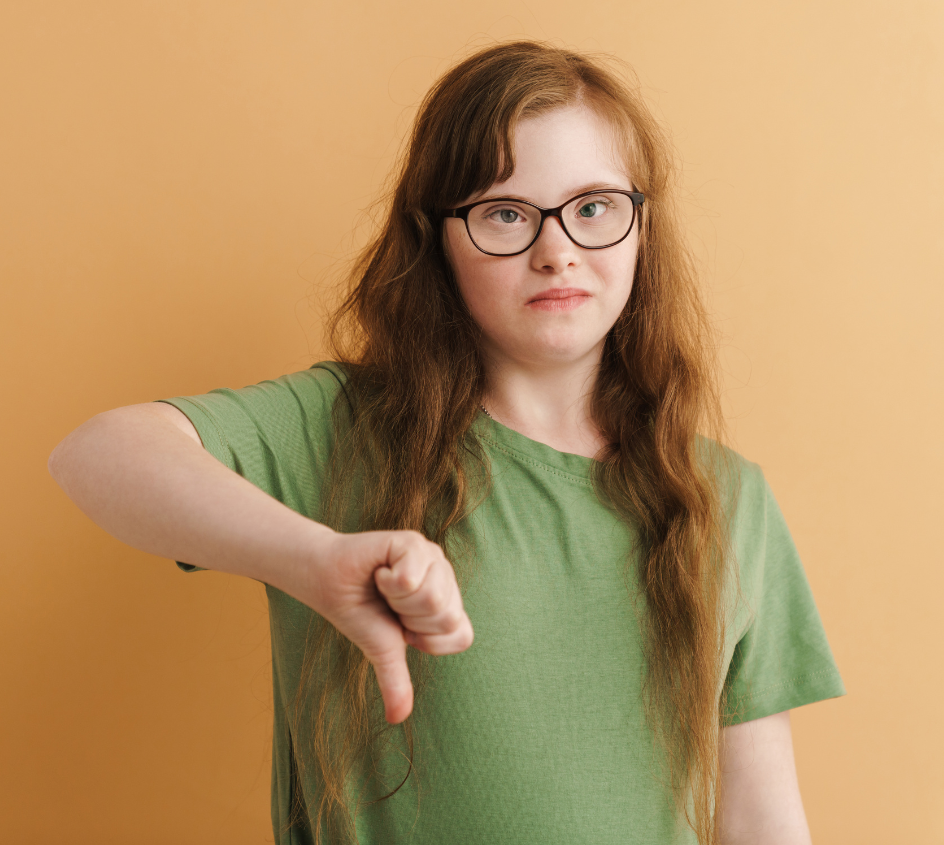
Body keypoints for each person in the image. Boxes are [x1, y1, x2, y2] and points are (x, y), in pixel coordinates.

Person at [48, 41, 845, 845]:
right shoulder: (342, 427)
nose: (557, 250)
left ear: (642, 226)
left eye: (595, 207)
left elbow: (762, 818)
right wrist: (314, 563)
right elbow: (98, 454)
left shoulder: (725, 497)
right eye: (506, 213)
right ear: (437, 240)